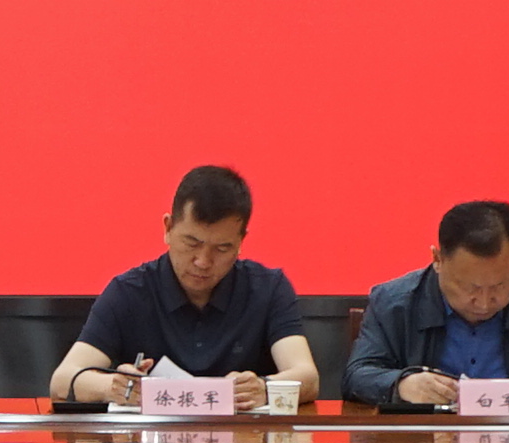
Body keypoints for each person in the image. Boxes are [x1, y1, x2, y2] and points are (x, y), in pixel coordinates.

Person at [47, 162, 318, 408]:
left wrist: (264, 387)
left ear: (241, 241)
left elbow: (307, 376)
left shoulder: (268, 289)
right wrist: (114, 387)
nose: (203, 261)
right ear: (168, 228)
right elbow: (62, 381)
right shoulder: (129, 292)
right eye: (192, 243)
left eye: (222, 248)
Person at [343, 198, 509, 408]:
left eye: (500, 286)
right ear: (438, 260)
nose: (484, 303)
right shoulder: (394, 303)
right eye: (470, 288)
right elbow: (357, 375)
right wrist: (402, 385)